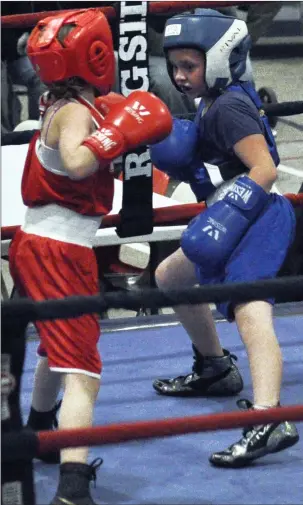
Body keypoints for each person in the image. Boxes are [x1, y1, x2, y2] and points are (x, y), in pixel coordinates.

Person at [8, 9, 172, 505]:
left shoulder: (62, 101)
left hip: (37, 244)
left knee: (55, 345)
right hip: (60, 249)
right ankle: (73, 487)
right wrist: (116, 136)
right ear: (97, 55)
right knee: (84, 369)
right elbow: (80, 162)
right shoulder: (77, 111)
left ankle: (40, 424)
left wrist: (121, 118)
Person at [149, 9, 299, 467]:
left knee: (252, 314)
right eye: (175, 66)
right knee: (170, 277)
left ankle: (269, 417)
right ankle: (215, 367)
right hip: (230, 214)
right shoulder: (212, 100)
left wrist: (226, 220)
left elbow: (266, 170)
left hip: (255, 218)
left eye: (189, 66)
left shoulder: (230, 107)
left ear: (217, 60)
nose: (179, 76)